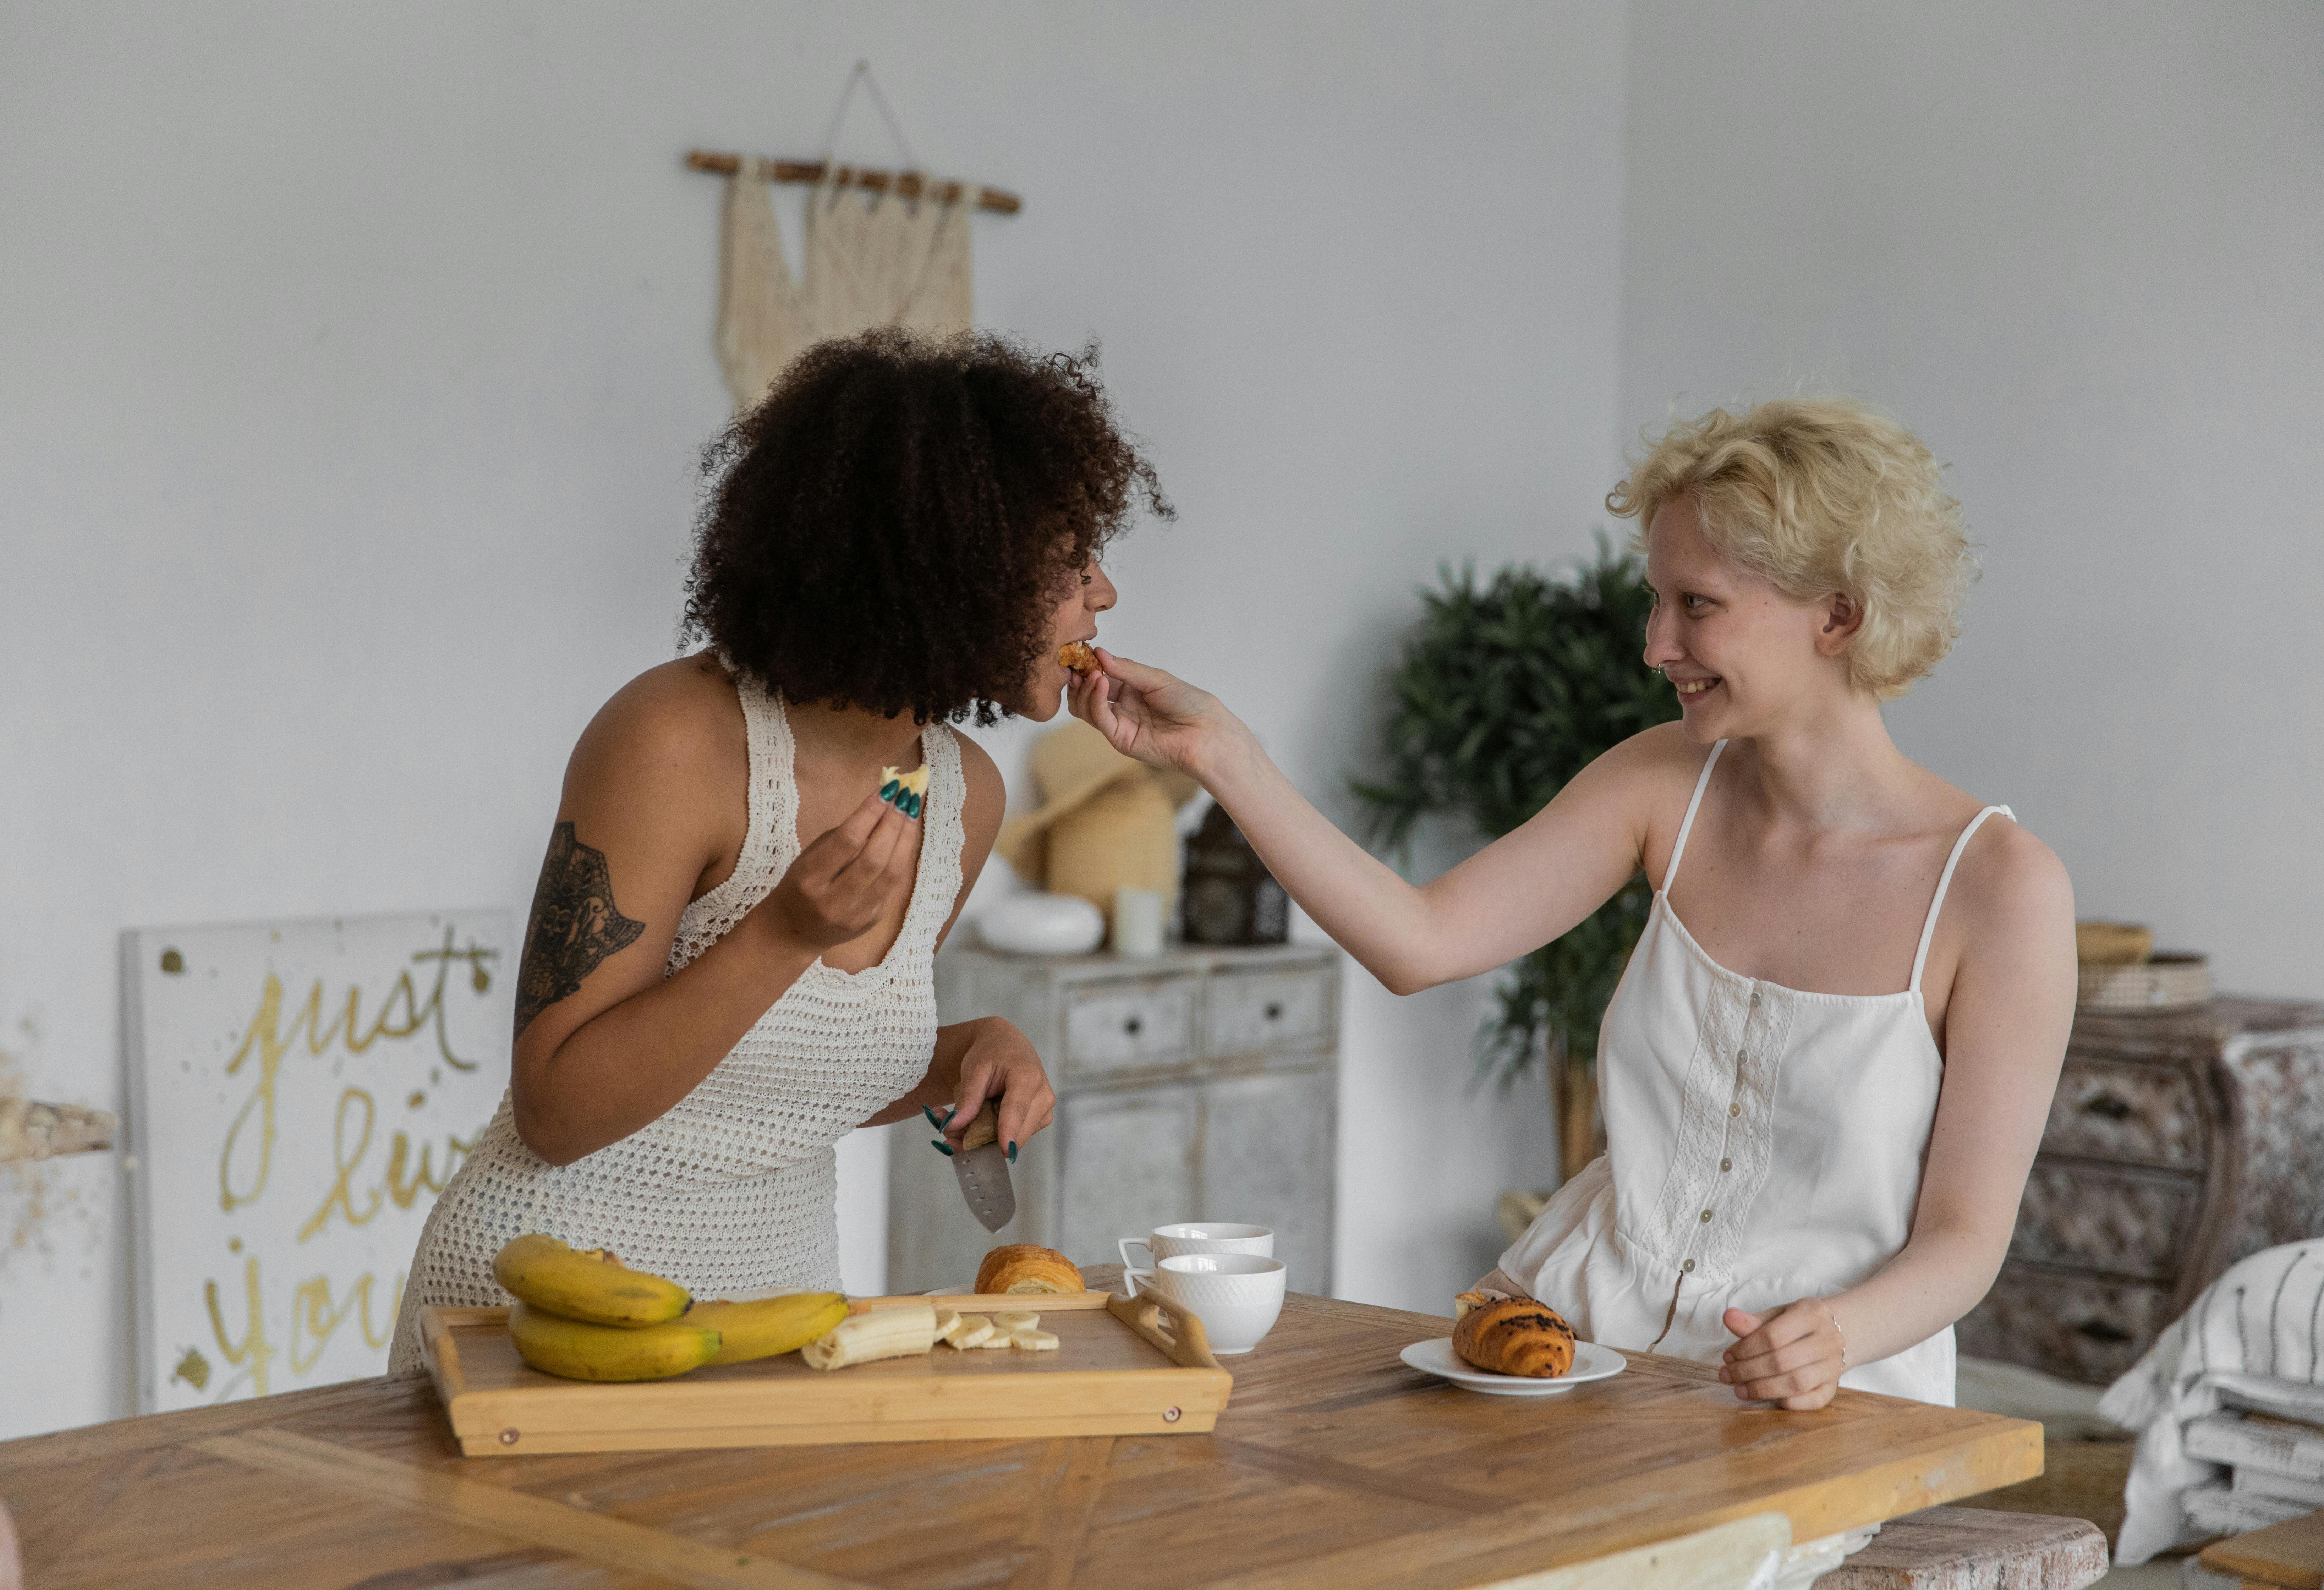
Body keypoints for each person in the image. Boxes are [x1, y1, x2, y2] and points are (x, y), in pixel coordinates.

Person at [1072, 398, 2074, 1408]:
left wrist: (1836, 1335)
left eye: (1698, 604)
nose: (1655, 645)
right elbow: (1421, 941)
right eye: (1657, 600)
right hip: (1577, 1355)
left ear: (1839, 615)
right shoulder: (1660, 785)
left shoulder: (2001, 890)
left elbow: (1967, 1239)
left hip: (1826, 1398)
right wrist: (1224, 758)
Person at [391, 330, 1168, 1371]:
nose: (1103, 593)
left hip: (781, 1334)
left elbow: (778, 1079)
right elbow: (558, 1111)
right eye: (1072, 563)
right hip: (549, 1327)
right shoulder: (676, 741)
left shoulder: (965, 795)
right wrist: (785, 934)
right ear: (949, 571)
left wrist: (962, 1052)